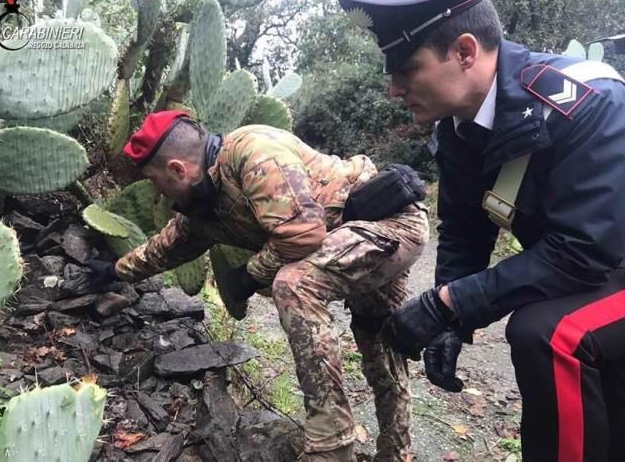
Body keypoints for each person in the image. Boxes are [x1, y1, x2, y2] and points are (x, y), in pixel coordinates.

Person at [339, 0, 625, 461]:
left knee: (551, 332)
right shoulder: (458, 129)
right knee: (583, 347)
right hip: (605, 267)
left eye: (406, 68)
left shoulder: (590, 100)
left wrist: (447, 304)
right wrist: (451, 321)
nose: (393, 89)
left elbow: (582, 252)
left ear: (464, 51)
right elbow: (464, 227)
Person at [87, 111, 429, 462]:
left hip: (390, 225)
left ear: (177, 169)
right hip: (349, 244)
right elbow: (166, 248)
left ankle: (331, 448)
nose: (157, 194)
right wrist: (115, 271)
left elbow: (303, 235)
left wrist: (248, 276)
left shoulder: (253, 150)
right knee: (379, 342)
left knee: (295, 284)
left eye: (156, 182)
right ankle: (396, 454)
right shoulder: (205, 202)